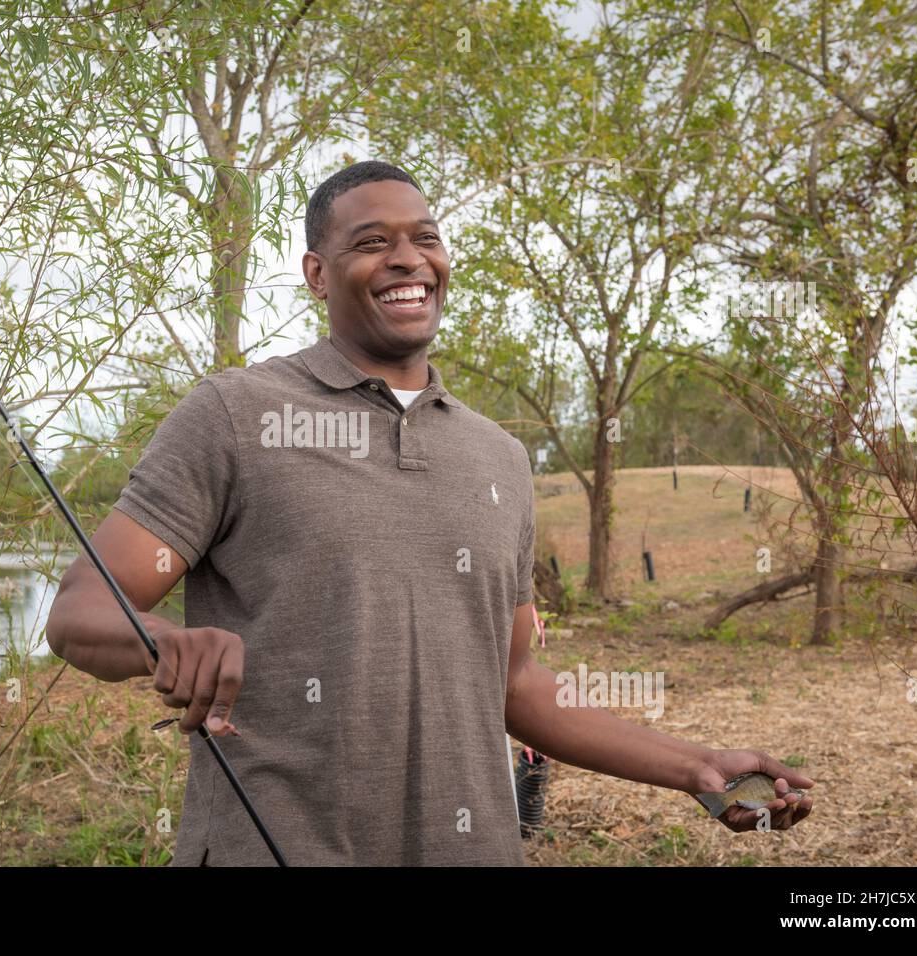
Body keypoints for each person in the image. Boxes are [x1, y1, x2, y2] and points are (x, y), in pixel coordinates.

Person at [45, 160, 815, 866]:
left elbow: (512, 680)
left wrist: (694, 765)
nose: (407, 259)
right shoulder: (236, 415)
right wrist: (163, 640)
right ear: (317, 273)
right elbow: (81, 611)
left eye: (425, 239)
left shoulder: (499, 458)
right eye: (372, 242)